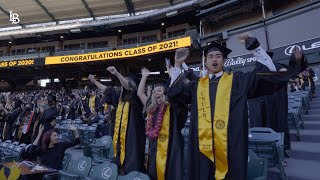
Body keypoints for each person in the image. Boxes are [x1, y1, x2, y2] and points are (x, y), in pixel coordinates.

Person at [167, 34, 304, 180]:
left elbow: (270, 74)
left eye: (218, 56)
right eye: (211, 56)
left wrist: (255, 47)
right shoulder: (197, 86)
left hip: (230, 146)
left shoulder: (237, 81)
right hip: (202, 148)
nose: (214, 59)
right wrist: (177, 64)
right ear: (205, 62)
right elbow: (174, 95)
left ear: (224, 61)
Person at [88, 66, 145, 174]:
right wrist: (94, 81)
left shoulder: (136, 100)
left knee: (132, 166)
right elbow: (107, 90)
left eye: (126, 82)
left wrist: (118, 74)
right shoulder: (120, 99)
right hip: (120, 140)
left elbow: (129, 87)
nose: (123, 85)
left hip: (133, 139)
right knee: (120, 165)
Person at [137, 67, 187, 180]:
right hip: (154, 148)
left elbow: (178, 95)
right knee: (153, 171)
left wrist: (173, 75)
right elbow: (140, 93)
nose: (156, 93)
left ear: (166, 92)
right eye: (154, 92)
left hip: (170, 148)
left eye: (159, 90)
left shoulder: (173, 108)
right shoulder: (151, 108)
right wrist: (144, 76)